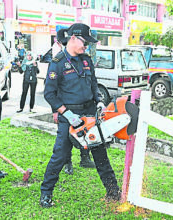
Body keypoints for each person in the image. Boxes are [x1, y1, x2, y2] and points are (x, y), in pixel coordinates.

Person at [40, 23, 121, 208]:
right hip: (69, 117)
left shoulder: (86, 60)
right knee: (60, 156)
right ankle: (46, 193)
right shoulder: (58, 63)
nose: (87, 46)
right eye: (85, 42)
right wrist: (66, 113)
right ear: (73, 38)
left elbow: (93, 83)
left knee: (100, 155)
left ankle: (113, 192)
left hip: (90, 115)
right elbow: (49, 94)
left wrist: (99, 101)